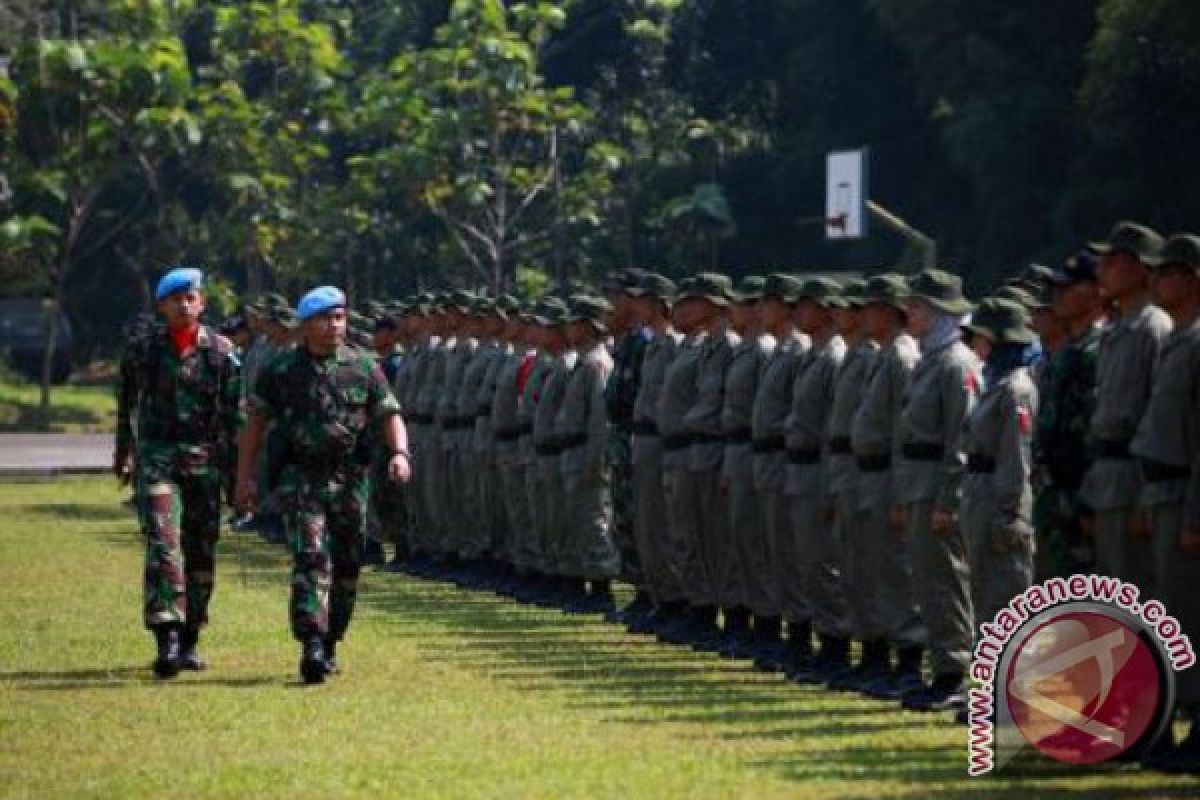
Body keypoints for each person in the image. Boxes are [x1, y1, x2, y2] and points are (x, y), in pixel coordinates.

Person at [236, 286, 411, 684]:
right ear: (306, 325)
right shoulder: (281, 371)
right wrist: (244, 478)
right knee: (311, 557)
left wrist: (401, 453)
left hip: (350, 479)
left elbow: (389, 413)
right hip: (302, 478)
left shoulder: (364, 366)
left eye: (340, 317)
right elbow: (255, 426)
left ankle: (331, 639)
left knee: (349, 564)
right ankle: (311, 642)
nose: (334, 326)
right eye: (325, 318)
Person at [115, 267, 242, 679]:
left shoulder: (222, 354)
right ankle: (166, 634)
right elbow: (127, 403)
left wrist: (240, 477)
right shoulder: (143, 350)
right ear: (162, 306)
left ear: (202, 303)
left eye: (191, 297)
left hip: (205, 463)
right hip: (158, 458)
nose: (184, 305)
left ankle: (190, 637)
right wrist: (124, 451)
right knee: (163, 543)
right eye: (176, 299)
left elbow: (235, 419)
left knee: (201, 550)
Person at [895, 268, 981, 713]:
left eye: (919, 307)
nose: (909, 313)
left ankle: (955, 672)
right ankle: (942, 666)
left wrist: (950, 500)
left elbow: (961, 439)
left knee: (946, 579)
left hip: (937, 486)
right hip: (918, 482)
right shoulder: (929, 360)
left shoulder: (956, 364)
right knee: (927, 579)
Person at [1134, 233, 1200, 773]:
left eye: (1168, 272)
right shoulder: (1176, 340)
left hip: (1185, 495)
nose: (1156, 281)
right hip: (1159, 492)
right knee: (1169, 619)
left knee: (1190, 621)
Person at [1082, 222, 1173, 595]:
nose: (1102, 268)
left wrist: (1143, 495)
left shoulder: (1154, 329)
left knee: (1138, 593)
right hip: (1107, 476)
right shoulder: (1117, 332)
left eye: (1114, 260)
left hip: (1133, 478)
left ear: (1141, 268)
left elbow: (1158, 418)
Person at [851, 274, 925, 700]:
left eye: (872, 307)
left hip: (888, 476)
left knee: (897, 571)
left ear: (889, 312)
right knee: (873, 567)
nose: (863, 315)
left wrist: (901, 493)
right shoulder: (883, 355)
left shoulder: (902, 358)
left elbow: (903, 432)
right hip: (868, 475)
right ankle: (880, 657)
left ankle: (910, 663)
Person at [556, 294, 621, 612]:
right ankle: (586, 581)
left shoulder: (597, 365)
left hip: (586, 453)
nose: (568, 328)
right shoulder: (582, 362)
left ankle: (601, 588)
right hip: (573, 451)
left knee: (595, 519)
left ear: (588, 326)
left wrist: (596, 463)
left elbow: (600, 422)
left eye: (575, 322)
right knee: (579, 520)